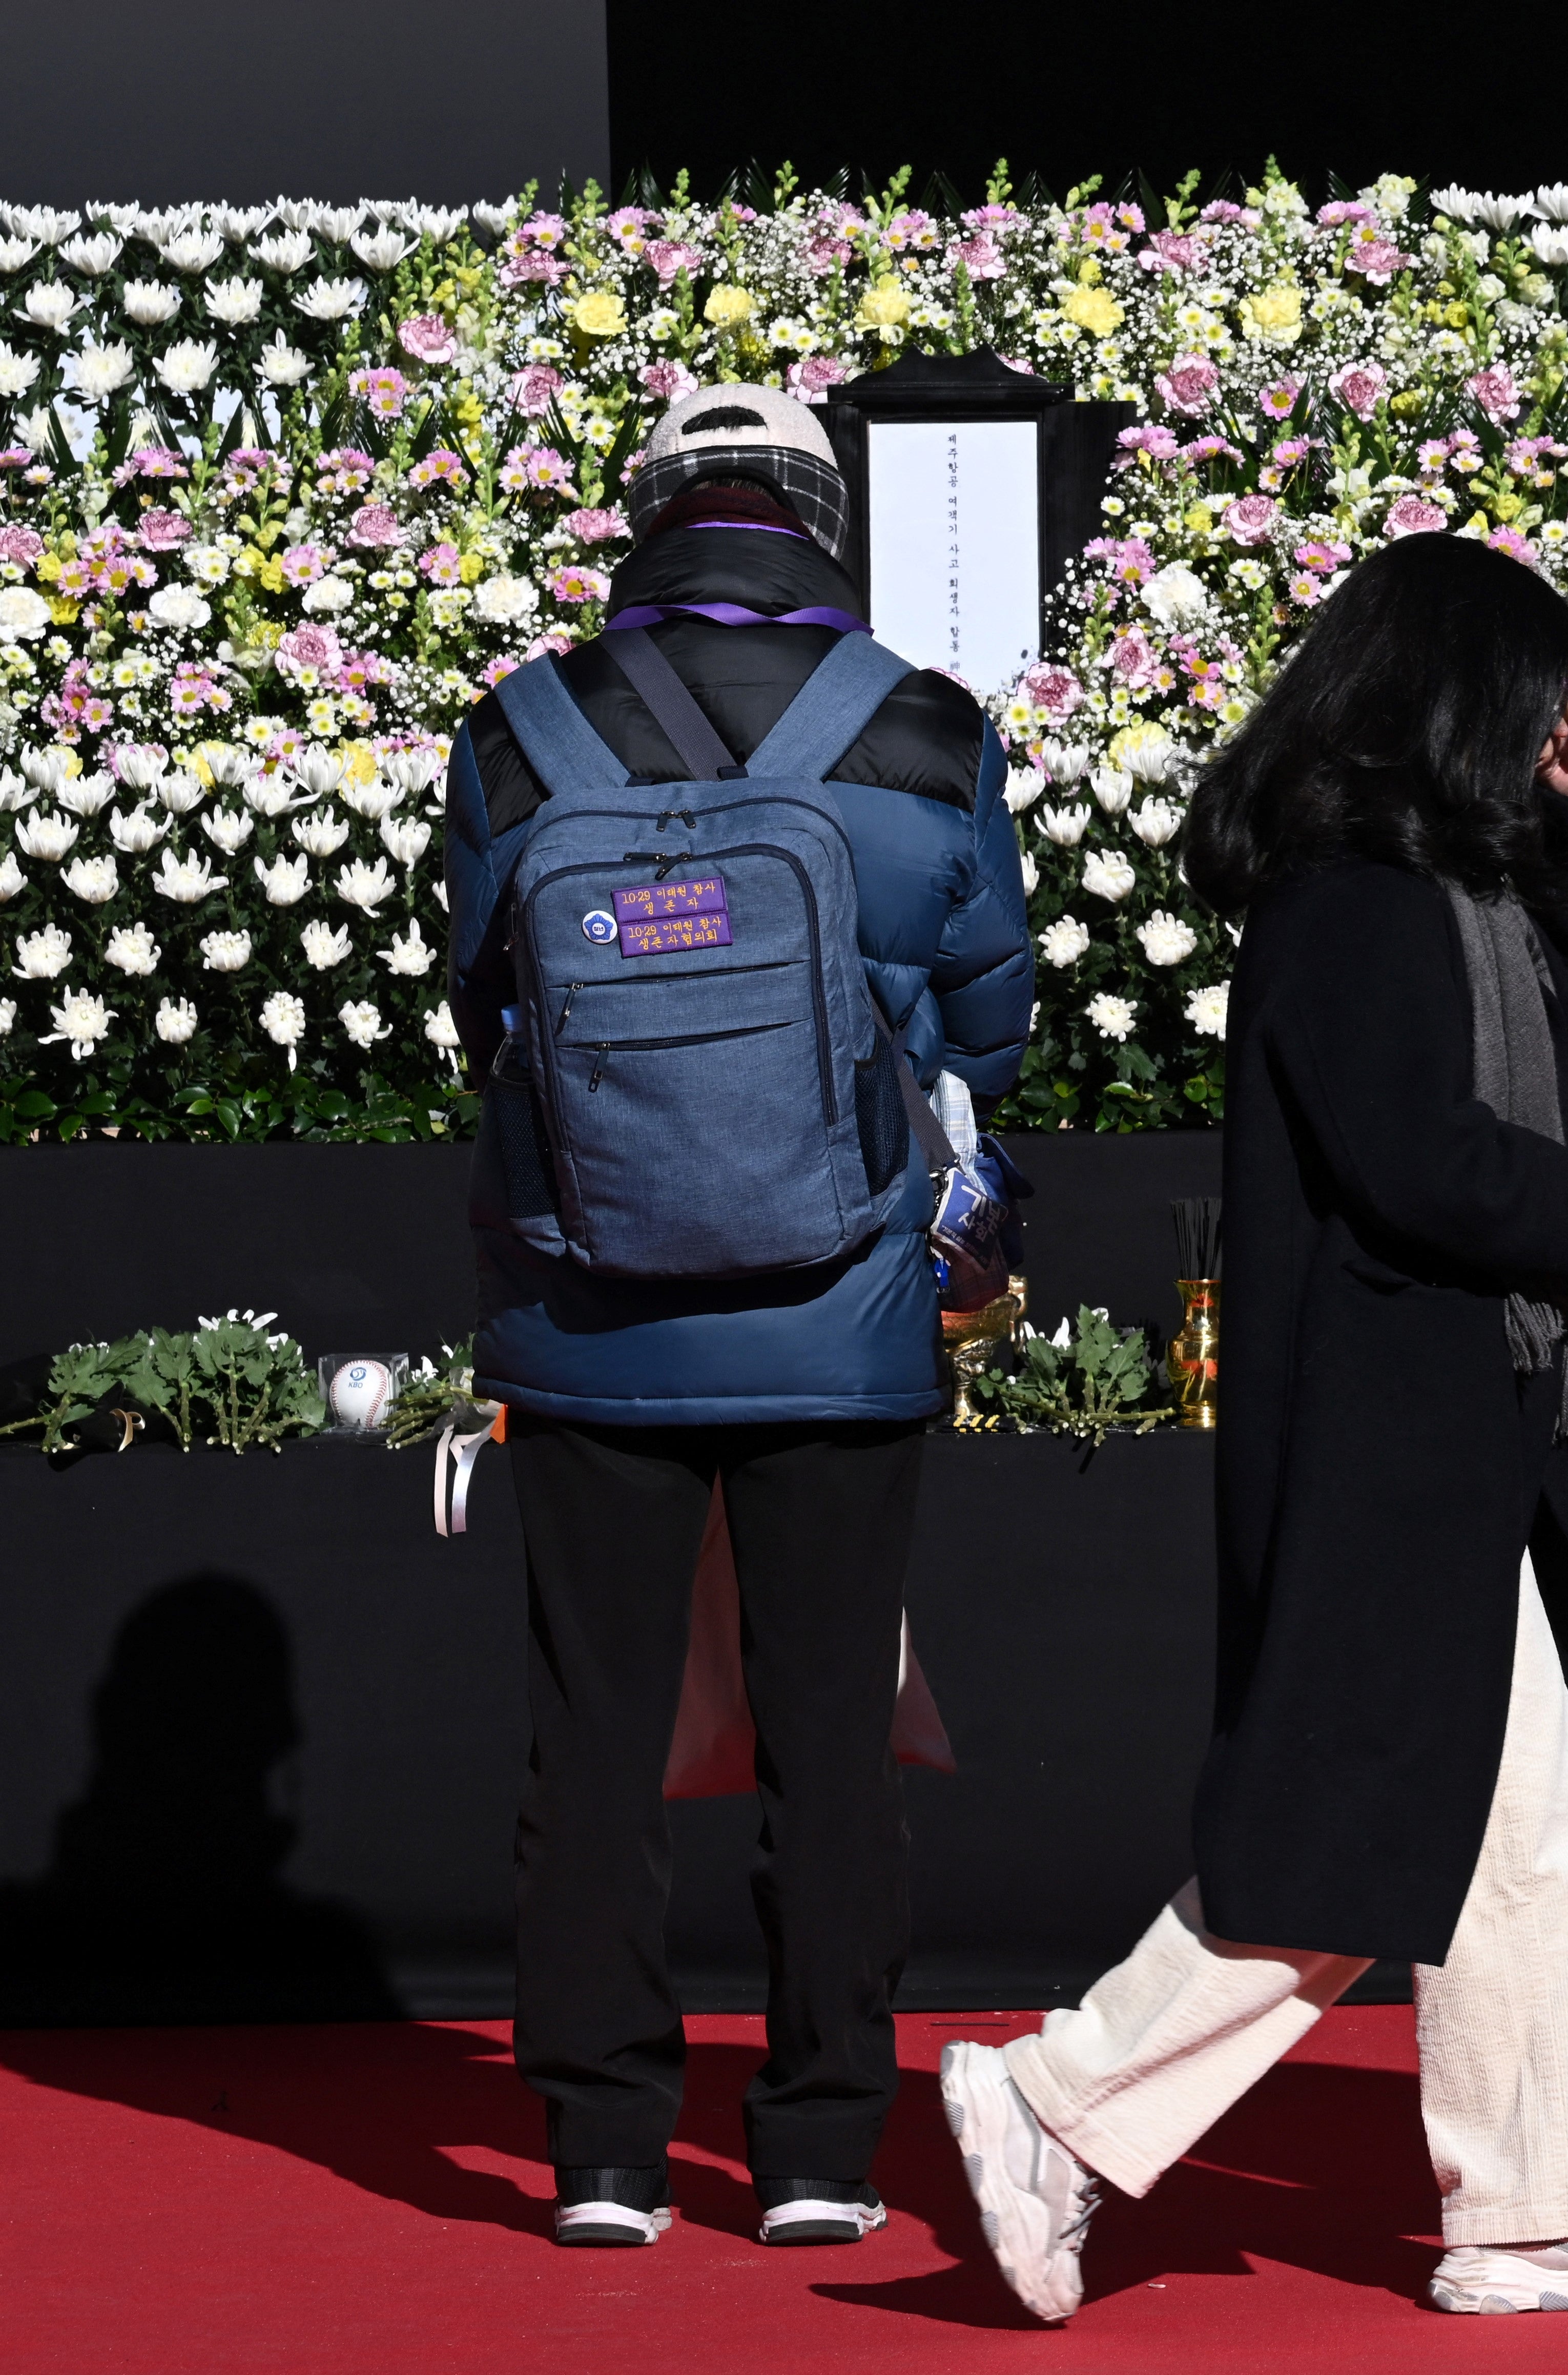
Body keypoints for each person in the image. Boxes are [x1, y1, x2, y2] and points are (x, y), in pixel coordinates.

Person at [935, 531, 1568, 2324]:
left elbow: (1566, 1012)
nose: (1559, 726)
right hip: (1395, 1431)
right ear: (1457, 696)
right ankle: (1061, 2104)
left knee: (1512, 1821)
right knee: (1374, 1820)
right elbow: (1422, 1158)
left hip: (1453, 1423)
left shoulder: (1436, 881)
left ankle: (1538, 2206)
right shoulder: (1358, 896)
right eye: (1539, 699)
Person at [444, 382, 1034, 2249]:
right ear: (813, 520)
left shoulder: (523, 730)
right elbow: (994, 1021)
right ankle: (817, 2147)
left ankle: (607, 2151)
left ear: (647, 522)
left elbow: (481, 1004)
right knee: (830, 1739)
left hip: (587, 1306)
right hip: (842, 1310)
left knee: (595, 1732)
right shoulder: (924, 727)